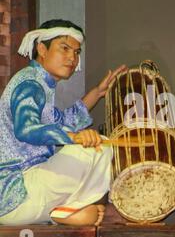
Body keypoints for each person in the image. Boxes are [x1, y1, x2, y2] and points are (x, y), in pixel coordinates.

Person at [0, 19, 128, 226]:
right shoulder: (29, 83)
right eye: (65, 48)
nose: (72, 58)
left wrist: (96, 94)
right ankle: (70, 208)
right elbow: (27, 129)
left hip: (26, 194)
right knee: (95, 148)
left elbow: (63, 121)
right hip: (16, 193)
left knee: (100, 145)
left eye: (77, 52)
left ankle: (63, 211)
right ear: (42, 49)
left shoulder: (39, 83)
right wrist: (76, 137)